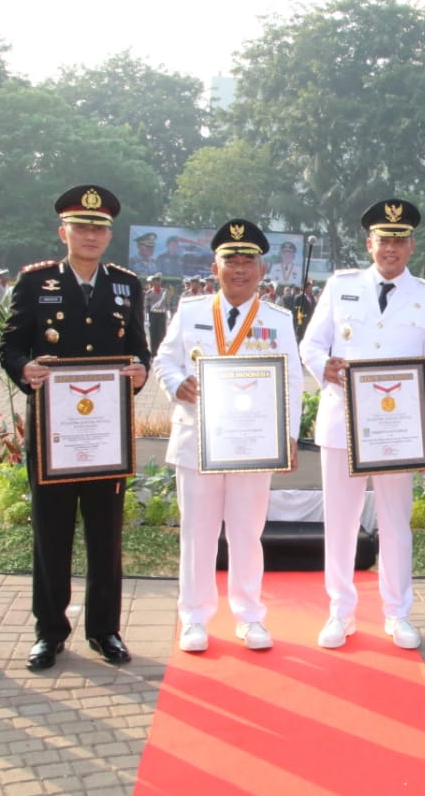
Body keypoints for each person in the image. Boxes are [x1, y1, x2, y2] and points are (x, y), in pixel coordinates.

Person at [0, 185, 150, 671]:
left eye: (99, 228)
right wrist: (25, 370)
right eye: (81, 227)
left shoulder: (127, 285)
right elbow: (12, 347)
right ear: (63, 231)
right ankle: (49, 631)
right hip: (53, 435)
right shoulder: (35, 282)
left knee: (106, 535)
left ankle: (105, 629)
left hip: (106, 435)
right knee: (52, 532)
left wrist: (141, 373)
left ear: (109, 235)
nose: (90, 235)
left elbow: (141, 352)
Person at [300, 198, 425, 650]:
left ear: (411, 246)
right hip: (342, 420)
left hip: (400, 430)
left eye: (400, 240)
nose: (391, 248)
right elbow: (310, 343)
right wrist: (323, 365)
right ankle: (340, 611)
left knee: (395, 520)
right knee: (340, 522)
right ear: (369, 243)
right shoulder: (341, 286)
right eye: (384, 239)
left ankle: (397, 612)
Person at [155, 219, 302, 653]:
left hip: (254, 444)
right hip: (197, 439)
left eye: (248, 261)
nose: (239, 269)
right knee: (197, 533)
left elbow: (291, 380)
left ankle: (250, 615)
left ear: (262, 269)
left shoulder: (277, 319)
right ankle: (195, 617)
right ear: (214, 266)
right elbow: (165, 359)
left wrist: (288, 437)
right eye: (230, 260)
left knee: (246, 531)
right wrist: (176, 382)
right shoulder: (192, 310)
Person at [146, 274, 168, 357]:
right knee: (153, 334)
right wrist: (147, 317)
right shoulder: (149, 293)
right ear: (153, 282)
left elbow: (167, 303)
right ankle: (154, 353)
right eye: (155, 281)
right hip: (153, 314)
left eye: (158, 280)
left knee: (162, 334)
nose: (157, 282)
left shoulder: (165, 292)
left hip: (162, 314)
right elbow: (147, 306)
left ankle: (161, 352)